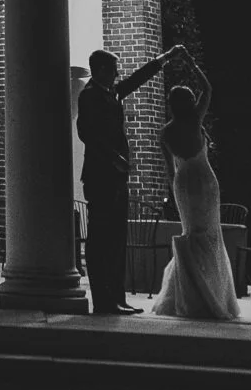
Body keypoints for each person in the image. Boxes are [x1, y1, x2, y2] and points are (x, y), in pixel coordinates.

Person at [77, 45, 182, 315]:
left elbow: (137, 78)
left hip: (117, 176)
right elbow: (86, 133)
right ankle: (103, 300)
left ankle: (118, 297)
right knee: (101, 239)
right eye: (113, 70)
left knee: (117, 238)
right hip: (101, 176)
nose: (117, 74)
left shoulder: (110, 92)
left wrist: (166, 58)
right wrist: (113, 158)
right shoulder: (89, 96)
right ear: (101, 70)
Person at [150, 53, 241, 320]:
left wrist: (173, 192)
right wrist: (190, 63)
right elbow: (209, 89)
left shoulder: (165, 132)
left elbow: (170, 170)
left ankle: (191, 292)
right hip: (205, 181)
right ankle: (211, 292)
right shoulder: (196, 120)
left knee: (190, 233)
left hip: (183, 184)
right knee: (210, 236)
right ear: (188, 103)